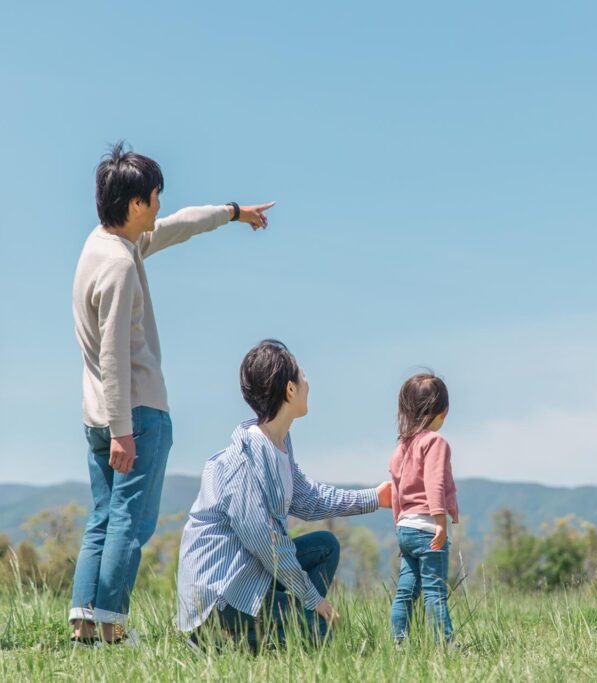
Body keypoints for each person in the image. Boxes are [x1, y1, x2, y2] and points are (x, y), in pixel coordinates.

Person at [68, 142, 275, 645]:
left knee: (101, 519)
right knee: (130, 525)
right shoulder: (119, 264)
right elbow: (116, 354)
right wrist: (124, 431)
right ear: (135, 203)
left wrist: (230, 213)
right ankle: (111, 627)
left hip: (97, 413)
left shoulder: (102, 245)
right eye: (155, 197)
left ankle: (84, 621)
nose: (159, 206)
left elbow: (178, 225)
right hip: (134, 412)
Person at [177, 340, 394, 651]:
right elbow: (268, 545)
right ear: (290, 390)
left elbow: (307, 499)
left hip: (249, 576)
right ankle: (216, 640)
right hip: (221, 598)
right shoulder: (243, 461)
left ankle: (277, 630)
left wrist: (375, 497)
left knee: (325, 546)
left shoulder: (279, 444)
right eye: (302, 376)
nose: (308, 383)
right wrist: (313, 599)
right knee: (322, 635)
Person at [388, 372, 457, 646]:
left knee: (405, 591)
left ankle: (399, 644)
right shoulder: (435, 442)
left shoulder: (402, 446)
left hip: (405, 527)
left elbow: (395, 492)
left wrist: (399, 528)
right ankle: (446, 646)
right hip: (428, 528)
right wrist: (440, 519)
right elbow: (434, 481)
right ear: (443, 412)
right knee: (434, 592)